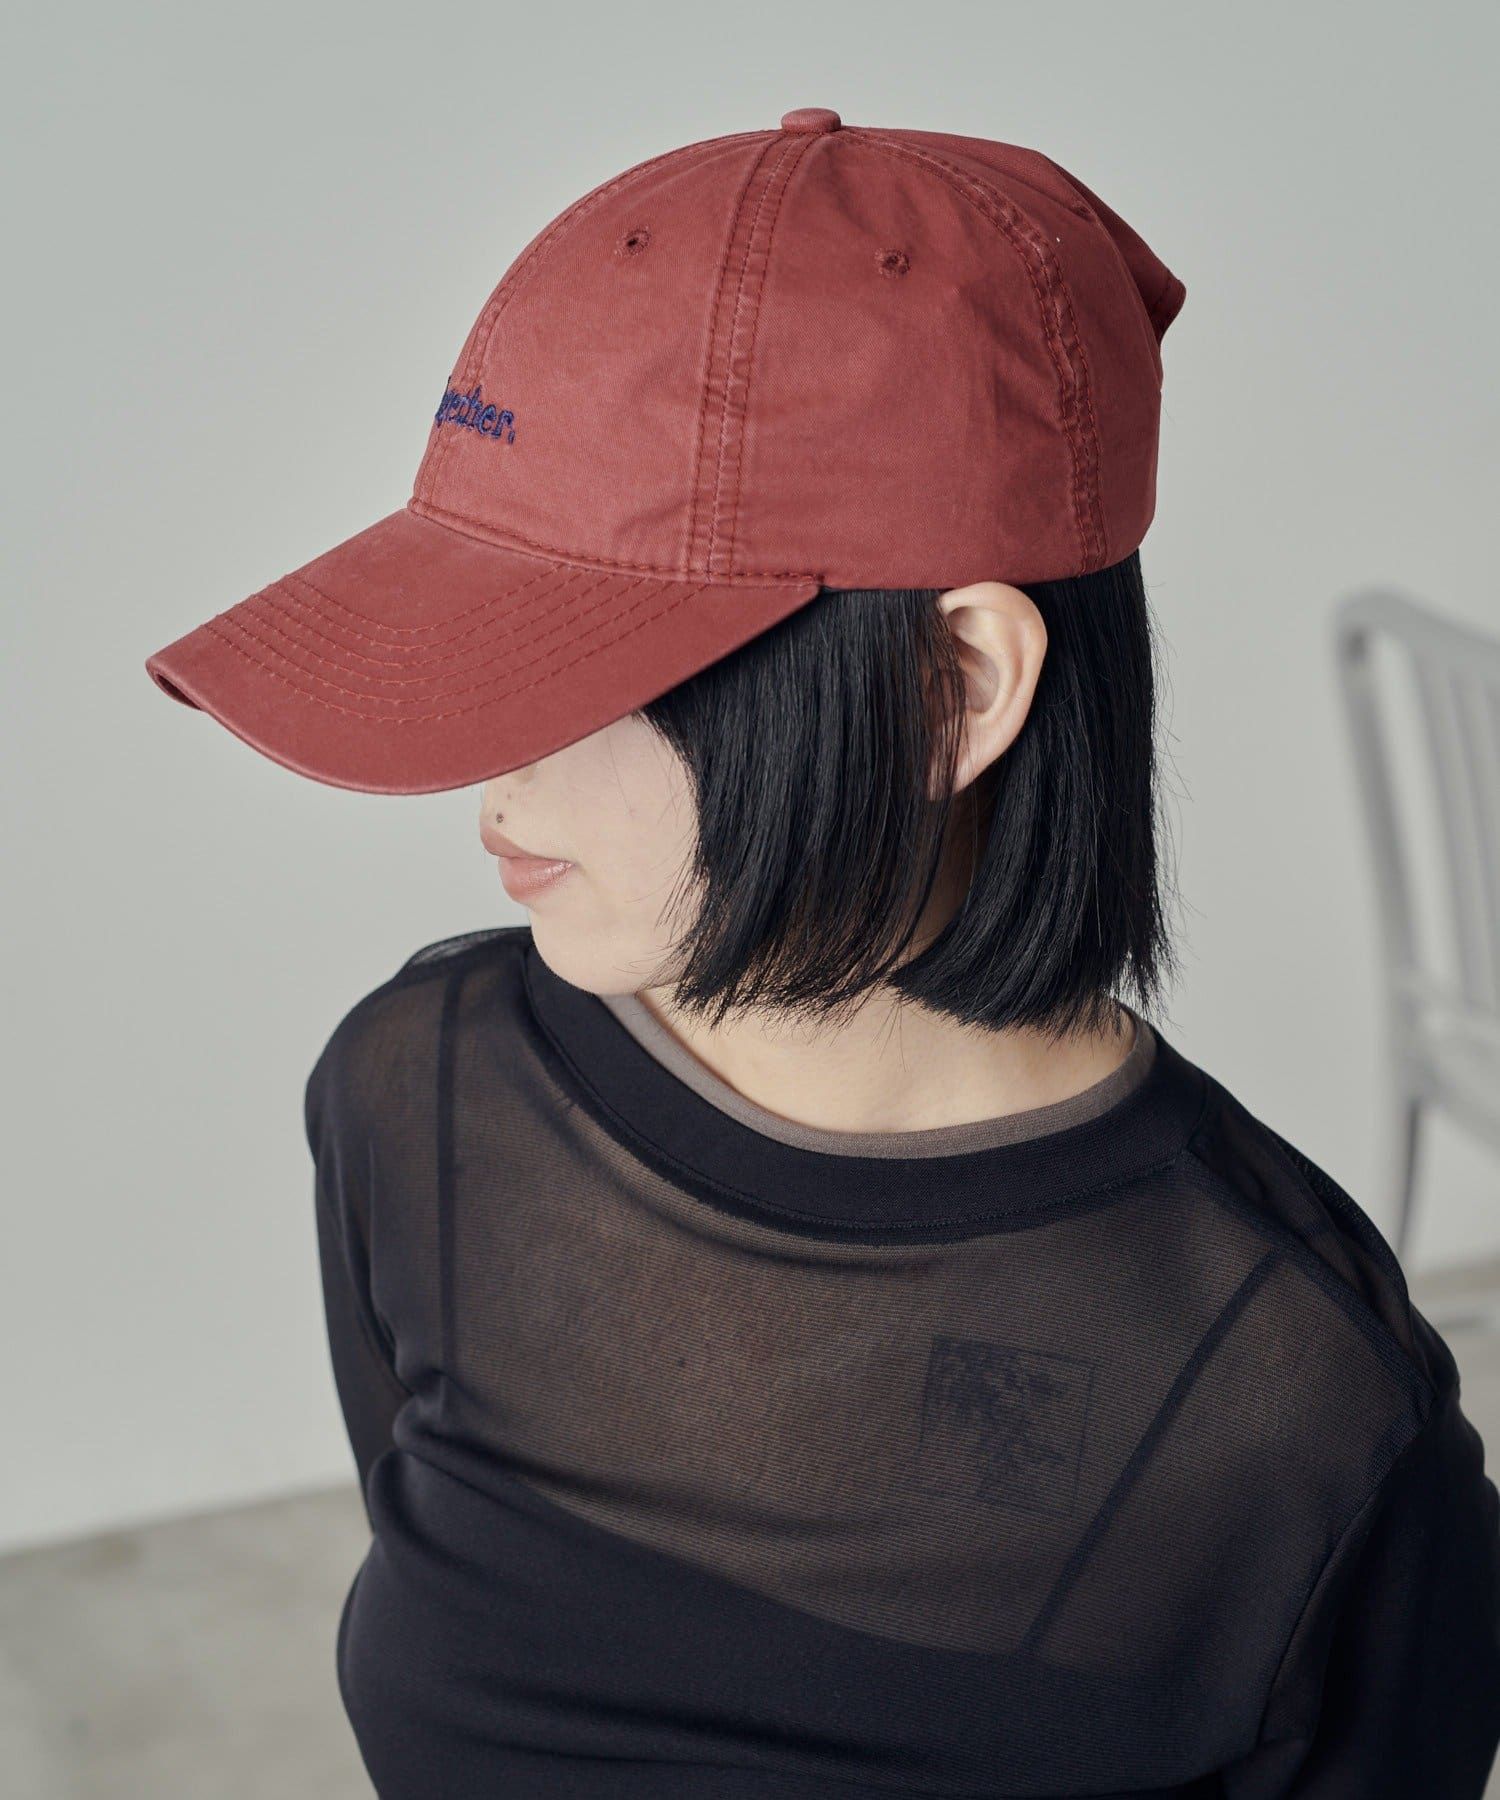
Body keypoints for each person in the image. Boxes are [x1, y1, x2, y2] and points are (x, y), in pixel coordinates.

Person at [143, 106, 1500, 1798]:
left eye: (588, 664)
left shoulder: (1295, 1405)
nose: (495, 778)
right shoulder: (423, 1097)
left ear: (955, 688)